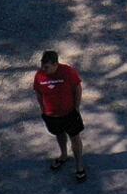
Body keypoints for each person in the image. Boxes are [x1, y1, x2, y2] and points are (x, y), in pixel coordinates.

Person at [33, 49, 87, 180]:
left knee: (75, 137)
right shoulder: (39, 75)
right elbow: (38, 92)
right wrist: (43, 109)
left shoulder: (67, 72)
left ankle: (79, 165)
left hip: (69, 113)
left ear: (55, 64)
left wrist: (76, 107)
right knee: (59, 134)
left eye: (47, 66)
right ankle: (63, 155)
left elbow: (77, 88)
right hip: (51, 115)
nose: (43, 69)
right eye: (42, 65)